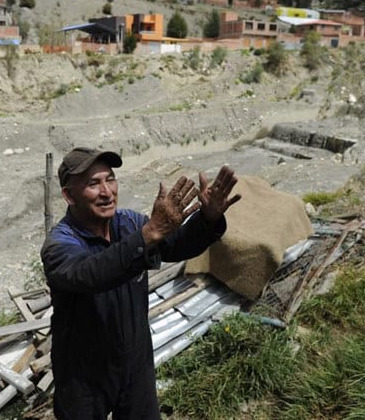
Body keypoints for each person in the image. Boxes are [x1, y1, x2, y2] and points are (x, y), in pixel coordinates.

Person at [41, 147, 241, 420]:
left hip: (135, 362)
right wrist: (148, 235)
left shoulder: (130, 224)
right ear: (68, 195)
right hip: (83, 375)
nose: (107, 191)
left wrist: (208, 220)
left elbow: (174, 245)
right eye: (93, 183)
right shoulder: (60, 244)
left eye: (110, 179)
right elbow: (91, 274)